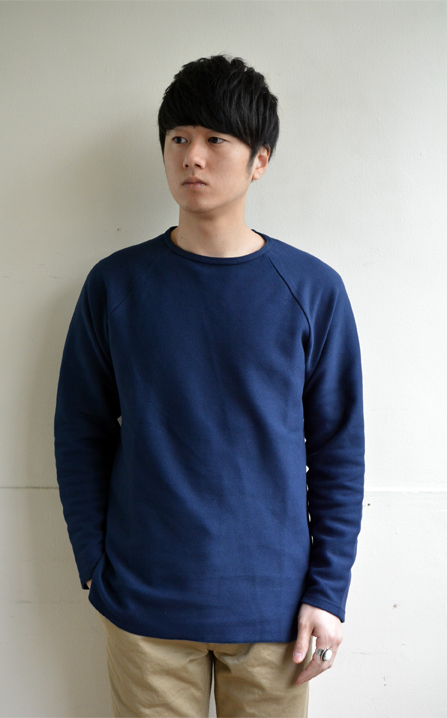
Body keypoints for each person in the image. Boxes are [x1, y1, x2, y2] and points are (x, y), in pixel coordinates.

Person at [54, 54, 365, 717]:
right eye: (178, 138)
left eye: (215, 139)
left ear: (259, 160)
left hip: (276, 612)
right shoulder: (116, 285)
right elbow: (80, 430)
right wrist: (92, 564)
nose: (191, 156)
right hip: (143, 608)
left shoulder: (312, 290)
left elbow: (339, 451)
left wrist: (328, 592)